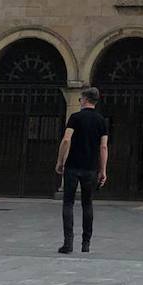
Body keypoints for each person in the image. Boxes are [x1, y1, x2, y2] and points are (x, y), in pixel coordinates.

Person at [54, 86, 108, 254]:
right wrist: (103, 170)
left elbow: (66, 140)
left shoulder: (75, 118)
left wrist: (60, 161)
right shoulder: (101, 121)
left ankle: (68, 243)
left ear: (84, 99)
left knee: (68, 203)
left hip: (72, 166)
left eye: (80, 99)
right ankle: (86, 244)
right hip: (91, 168)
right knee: (87, 204)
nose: (80, 102)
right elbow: (104, 147)